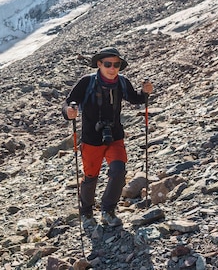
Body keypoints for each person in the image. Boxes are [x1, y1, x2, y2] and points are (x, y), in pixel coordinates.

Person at [62, 47, 153, 227]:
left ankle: (108, 210)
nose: (112, 68)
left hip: (115, 136)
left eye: (116, 65)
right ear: (99, 64)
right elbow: (68, 103)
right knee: (90, 177)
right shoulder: (86, 82)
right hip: (90, 139)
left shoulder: (121, 82)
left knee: (119, 171)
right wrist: (69, 112)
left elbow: (135, 99)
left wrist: (145, 93)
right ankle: (86, 212)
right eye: (108, 64)